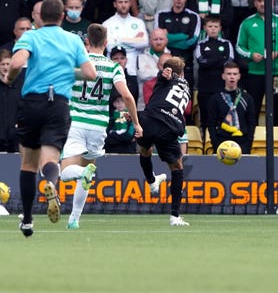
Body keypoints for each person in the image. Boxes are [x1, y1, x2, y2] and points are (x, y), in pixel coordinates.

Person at [4, 0, 96, 237]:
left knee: (27, 164)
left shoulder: (32, 36)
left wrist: (10, 79)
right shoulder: (73, 39)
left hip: (33, 102)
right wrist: (67, 72)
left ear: (40, 17)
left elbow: (16, 63)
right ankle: (51, 184)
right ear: (63, 16)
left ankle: (27, 220)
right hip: (59, 105)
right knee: (50, 159)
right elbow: (90, 73)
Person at [59, 23, 142, 229]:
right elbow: (126, 96)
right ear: (106, 43)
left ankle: (80, 173)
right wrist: (137, 123)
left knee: (66, 172)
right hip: (98, 125)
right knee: (88, 171)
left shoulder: (79, 64)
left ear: (87, 41)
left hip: (76, 121)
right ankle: (74, 219)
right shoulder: (113, 66)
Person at [136, 56, 191, 226]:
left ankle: (152, 182)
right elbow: (168, 76)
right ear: (182, 73)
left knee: (145, 150)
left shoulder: (166, 77)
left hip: (150, 120)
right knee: (177, 167)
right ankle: (175, 216)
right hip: (169, 127)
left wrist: (163, 73)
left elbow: (163, 76)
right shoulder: (186, 86)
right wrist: (167, 74)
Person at [236, 0, 278, 125]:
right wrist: (251, 55)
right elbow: (239, 47)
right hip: (255, 73)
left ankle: (277, 139)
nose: (263, 4)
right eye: (260, 1)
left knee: (276, 110)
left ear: (272, 3)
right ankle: (252, 139)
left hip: (276, 73)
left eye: (266, 1)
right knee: (252, 109)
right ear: (255, 3)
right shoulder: (247, 23)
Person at [155, 0, 201, 90]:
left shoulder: (194, 16)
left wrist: (169, 37)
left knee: (185, 99)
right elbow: (158, 40)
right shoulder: (161, 15)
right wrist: (183, 35)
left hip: (186, 65)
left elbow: (191, 42)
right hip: (165, 65)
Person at [207, 61, 256, 154]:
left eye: (235, 74)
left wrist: (248, 143)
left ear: (239, 76)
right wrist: (215, 144)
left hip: (242, 142)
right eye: (229, 74)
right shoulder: (215, 98)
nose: (232, 76)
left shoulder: (247, 98)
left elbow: (251, 122)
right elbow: (211, 124)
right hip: (222, 142)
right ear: (223, 76)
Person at [195, 15, 234, 128]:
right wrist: (219, 59)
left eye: (215, 26)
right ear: (205, 28)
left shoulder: (226, 44)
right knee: (205, 117)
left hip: (221, 86)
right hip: (205, 87)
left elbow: (228, 61)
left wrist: (211, 61)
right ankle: (204, 140)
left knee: (221, 116)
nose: (213, 29)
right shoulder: (201, 44)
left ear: (220, 28)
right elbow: (201, 61)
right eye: (210, 26)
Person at [103, 0, 149, 77]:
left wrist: (119, 39)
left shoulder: (139, 22)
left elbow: (144, 43)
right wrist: (134, 41)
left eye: (126, 2)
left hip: (135, 69)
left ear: (130, 3)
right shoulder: (107, 24)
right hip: (114, 70)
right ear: (114, 4)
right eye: (120, 2)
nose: (123, 5)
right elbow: (110, 47)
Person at [0, 48, 23, 153]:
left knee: (11, 168)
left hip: (16, 137)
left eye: (8, 64)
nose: (5, 67)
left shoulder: (22, 84)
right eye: (2, 64)